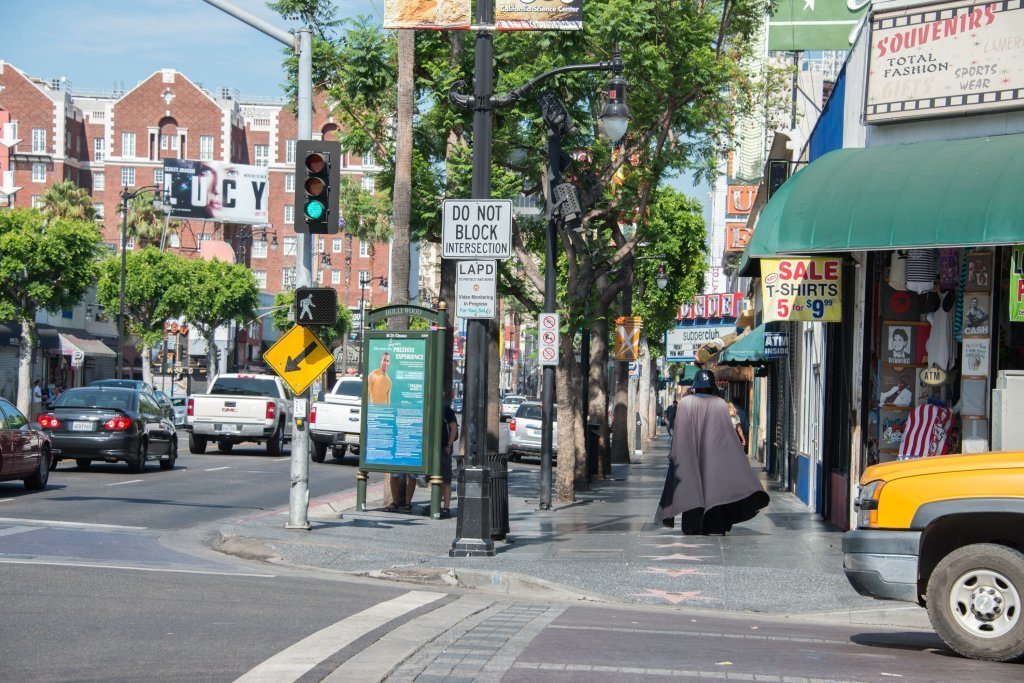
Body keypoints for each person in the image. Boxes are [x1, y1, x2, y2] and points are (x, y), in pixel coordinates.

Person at [655, 369, 769, 535]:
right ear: (712, 386)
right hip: (714, 456)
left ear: (695, 386)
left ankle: (692, 525)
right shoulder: (719, 403)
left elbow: (680, 432)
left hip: (689, 454)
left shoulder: (686, 403)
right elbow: (726, 433)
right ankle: (714, 524)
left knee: (691, 489)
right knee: (714, 489)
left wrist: (676, 453)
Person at [439, 398, 459, 518]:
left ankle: (446, 508)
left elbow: (454, 428)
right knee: (436, 478)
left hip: (444, 448)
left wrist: (449, 445)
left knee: (446, 479)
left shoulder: (445, 409)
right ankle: (437, 505)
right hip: (434, 450)